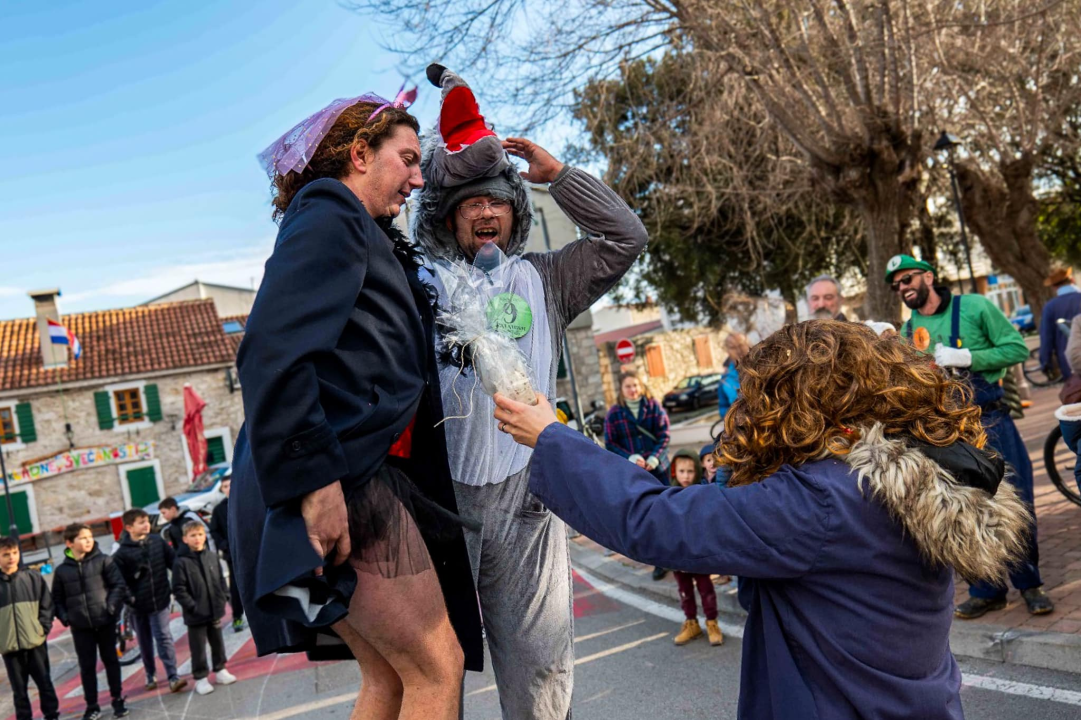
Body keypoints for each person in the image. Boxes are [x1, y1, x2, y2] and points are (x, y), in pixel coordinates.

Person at [494, 319, 1032, 719]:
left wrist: (551, 437)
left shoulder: (821, 500)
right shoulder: (907, 467)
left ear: (793, 404)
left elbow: (654, 520)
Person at [230, 89, 481, 720]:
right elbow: (271, 350)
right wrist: (318, 486)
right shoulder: (330, 210)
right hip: (337, 478)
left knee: (390, 678)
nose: (419, 179)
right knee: (435, 667)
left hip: (335, 475)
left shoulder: (355, 226)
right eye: (408, 159)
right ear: (360, 154)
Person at [412, 66, 648, 718]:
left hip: (525, 504)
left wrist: (559, 177)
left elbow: (626, 236)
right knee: (432, 679)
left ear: (515, 213)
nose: (485, 211)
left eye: (498, 201)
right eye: (470, 204)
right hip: (443, 506)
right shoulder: (419, 288)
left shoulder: (548, 279)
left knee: (542, 677)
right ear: (449, 217)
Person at [885, 253, 1054, 619]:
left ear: (927, 276)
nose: (902, 288)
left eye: (908, 279)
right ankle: (986, 589)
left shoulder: (975, 306)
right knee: (964, 507)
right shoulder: (905, 331)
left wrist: (968, 357)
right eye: (896, 285)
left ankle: (1031, 585)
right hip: (946, 435)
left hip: (991, 422)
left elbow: (1017, 348)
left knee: (1016, 499)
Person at [52, 524, 129, 720]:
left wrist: (110, 607)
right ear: (69, 543)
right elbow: (57, 599)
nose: (88, 540)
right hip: (80, 627)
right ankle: (92, 706)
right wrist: (66, 617)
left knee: (111, 660)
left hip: (105, 620)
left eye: (90, 536)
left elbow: (118, 585)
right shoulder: (62, 571)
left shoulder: (103, 561)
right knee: (87, 666)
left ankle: (117, 699)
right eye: (83, 538)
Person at [112, 509, 187, 694]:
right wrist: (130, 598)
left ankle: (172, 676)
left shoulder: (157, 542)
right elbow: (118, 581)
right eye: (141, 522)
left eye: (146, 521)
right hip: (137, 605)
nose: (146, 525)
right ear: (129, 527)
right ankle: (150, 673)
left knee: (163, 637)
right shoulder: (122, 553)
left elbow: (174, 562)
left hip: (160, 599)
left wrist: (180, 583)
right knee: (145, 642)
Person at [172, 521, 237, 695]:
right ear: (185, 539)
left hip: (214, 609)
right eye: (193, 535)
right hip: (195, 614)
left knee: (218, 641)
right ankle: (201, 677)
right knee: (198, 647)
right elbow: (179, 589)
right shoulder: (181, 563)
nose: (197, 539)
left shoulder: (211, 556)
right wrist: (192, 606)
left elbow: (221, 579)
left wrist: (224, 596)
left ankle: (220, 669)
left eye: (200, 534)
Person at [667, 450, 724, 648]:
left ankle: (712, 623)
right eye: (681, 471)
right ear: (674, 471)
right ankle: (691, 623)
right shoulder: (668, 494)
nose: (686, 476)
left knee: (706, 589)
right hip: (678, 555)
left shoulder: (703, 492)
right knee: (685, 591)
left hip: (698, 553)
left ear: (697, 471)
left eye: (690, 471)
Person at [0, 535, 59, 720]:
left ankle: (52, 715)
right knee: (19, 691)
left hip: (35, 643)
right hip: (10, 648)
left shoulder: (32, 577)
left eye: (15, 552)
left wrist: (42, 629)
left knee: (45, 684)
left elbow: (47, 605)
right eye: (6, 554)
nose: (11, 557)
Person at [209, 477, 245, 632]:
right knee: (236, 588)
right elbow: (214, 531)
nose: (228, 488)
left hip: (253, 551)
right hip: (232, 554)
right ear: (222, 490)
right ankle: (237, 617)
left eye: (230, 484)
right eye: (225, 486)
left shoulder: (246, 501)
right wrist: (224, 546)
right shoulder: (219, 510)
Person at [1039, 266, 1081, 379]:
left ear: (1053, 287)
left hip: (1069, 361)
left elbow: (1047, 337)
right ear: (1072, 280)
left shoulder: (1050, 307)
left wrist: (1045, 362)